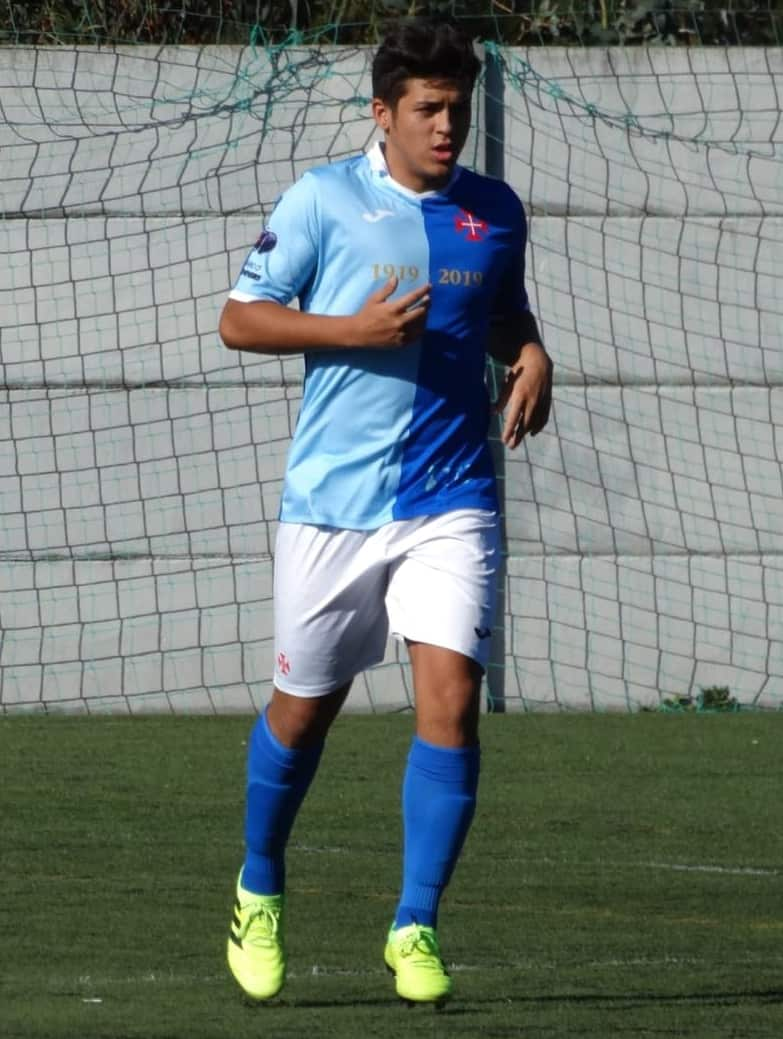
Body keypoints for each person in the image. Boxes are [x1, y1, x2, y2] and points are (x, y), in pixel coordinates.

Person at [218, 17, 552, 1006]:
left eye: (457, 108)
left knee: (449, 702)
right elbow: (240, 317)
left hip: (453, 500)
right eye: (428, 110)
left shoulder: (495, 211)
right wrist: (349, 330)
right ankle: (260, 882)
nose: (447, 126)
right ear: (384, 113)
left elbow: (500, 311)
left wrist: (529, 352)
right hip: (335, 505)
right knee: (304, 709)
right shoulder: (323, 200)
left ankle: (415, 923)